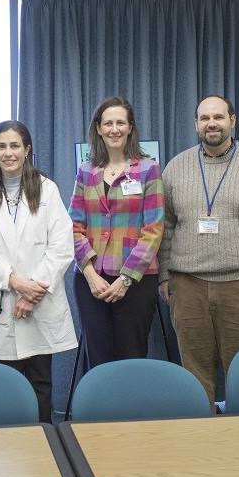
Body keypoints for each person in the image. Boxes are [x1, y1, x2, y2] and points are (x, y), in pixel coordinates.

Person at [159, 94, 239, 404]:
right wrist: (164, 276)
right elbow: (164, 227)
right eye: (204, 118)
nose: (211, 123)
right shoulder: (176, 167)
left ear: (232, 120)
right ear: (196, 124)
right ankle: (201, 438)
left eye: (218, 117)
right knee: (194, 372)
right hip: (188, 287)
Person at [0, 120, 77, 423]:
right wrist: (16, 283)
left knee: (41, 383)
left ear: (27, 149)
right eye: (1, 146)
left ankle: (45, 444)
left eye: (15, 145)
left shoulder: (47, 190)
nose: (8, 152)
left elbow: (61, 245)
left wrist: (33, 291)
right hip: (5, 304)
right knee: (9, 386)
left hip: (39, 303)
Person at [69, 96, 164, 369]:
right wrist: (89, 273)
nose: (114, 129)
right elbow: (75, 226)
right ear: (98, 128)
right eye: (108, 123)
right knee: (98, 359)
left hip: (135, 282)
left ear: (130, 127)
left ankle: (131, 413)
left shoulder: (148, 169)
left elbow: (154, 229)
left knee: (131, 358)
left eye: (120, 123)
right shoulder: (86, 171)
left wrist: (125, 279)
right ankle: (100, 413)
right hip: (91, 283)